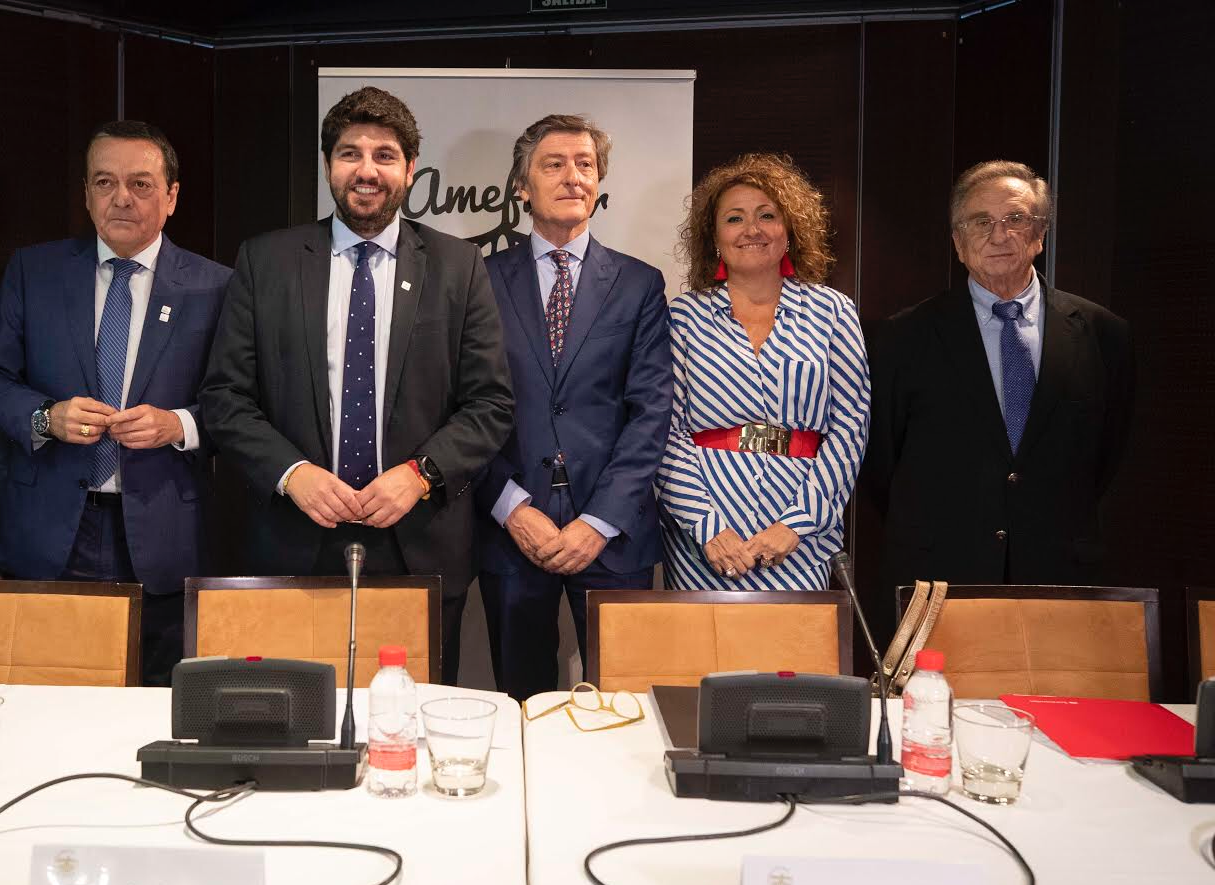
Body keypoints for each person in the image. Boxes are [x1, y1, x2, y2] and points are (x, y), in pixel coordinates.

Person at [199, 87, 513, 685]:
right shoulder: (266, 261)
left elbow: (490, 402)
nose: (367, 170)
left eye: (385, 155)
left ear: (410, 170)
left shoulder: (457, 265)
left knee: (409, 722)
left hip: (418, 541)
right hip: (293, 536)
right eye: (350, 153)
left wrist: (420, 474)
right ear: (327, 166)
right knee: (295, 715)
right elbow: (226, 397)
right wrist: (293, 475)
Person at [0, 121, 231, 686]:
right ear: (86, 194)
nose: (122, 198)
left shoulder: (218, 287)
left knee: (159, 709)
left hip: (165, 533)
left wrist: (178, 424)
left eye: (140, 184)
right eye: (104, 182)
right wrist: (45, 416)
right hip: (49, 533)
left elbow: (243, 407)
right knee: (49, 708)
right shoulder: (33, 272)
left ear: (172, 196)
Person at [865, 160, 1133, 623]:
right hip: (938, 575)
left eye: (1015, 219)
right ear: (957, 240)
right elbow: (880, 462)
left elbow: (1108, 454)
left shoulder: (1102, 334)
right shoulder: (902, 337)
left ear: (1040, 233)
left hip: (1057, 573)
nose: (999, 234)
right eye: (980, 222)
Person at [475, 114, 669, 701]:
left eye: (585, 164)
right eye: (553, 164)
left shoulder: (639, 284)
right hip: (513, 530)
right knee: (521, 700)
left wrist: (598, 521)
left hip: (613, 536)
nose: (572, 177)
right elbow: (459, 408)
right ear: (521, 186)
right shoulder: (477, 281)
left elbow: (651, 412)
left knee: (623, 703)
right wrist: (511, 508)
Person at [657, 152, 869, 591]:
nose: (752, 229)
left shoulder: (833, 311)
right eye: (734, 219)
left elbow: (851, 426)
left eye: (767, 215)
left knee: (795, 659)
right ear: (714, 238)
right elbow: (664, 432)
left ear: (788, 230)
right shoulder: (682, 317)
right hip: (706, 543)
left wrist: (797, 524)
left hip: (802, 537)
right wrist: (708, 527)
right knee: (705, 659)